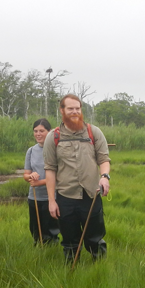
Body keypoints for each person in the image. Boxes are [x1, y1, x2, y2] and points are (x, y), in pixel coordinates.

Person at [43, 94, 111, 263]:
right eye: (70, 108)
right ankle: (72, 272)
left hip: (91, 194)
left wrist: (104, 177)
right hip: (66, 197)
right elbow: (50, 169)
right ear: (62, 111)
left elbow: (104, 159)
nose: (74, 112)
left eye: (77, 108)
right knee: (69, 241)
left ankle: (99, 268)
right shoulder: (53, 136)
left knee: (94, 238)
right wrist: (52, 201)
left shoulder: (93, 132)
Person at [24, 118, 60, 245]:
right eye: (35, 131)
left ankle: (52, 251)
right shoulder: (31, 151)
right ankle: (39, 251)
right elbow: (25, 174)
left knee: (52, 230)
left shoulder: (57, 149)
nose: (38, 134)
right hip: (34, 197)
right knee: (35, 229)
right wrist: (31, 177)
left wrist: (41, 182)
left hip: (52, 197)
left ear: (49, 132)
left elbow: (60, 176)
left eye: (41, 131)